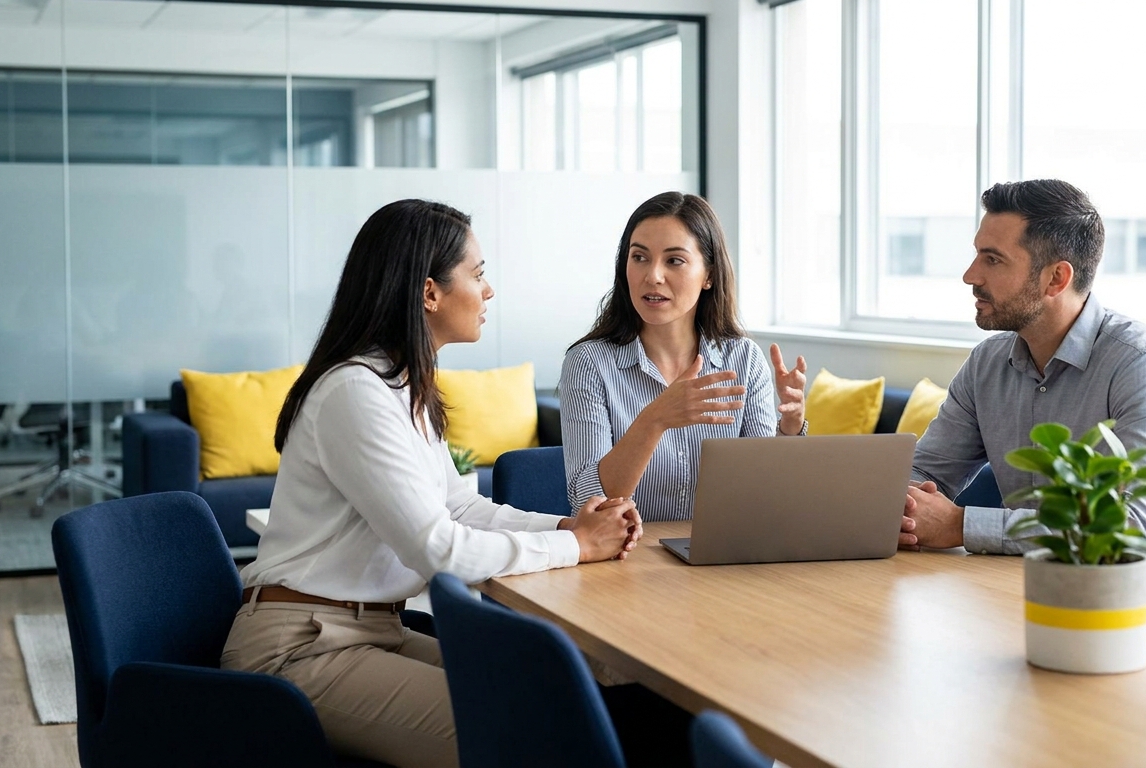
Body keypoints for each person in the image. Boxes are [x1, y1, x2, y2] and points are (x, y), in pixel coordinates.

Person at [219, 199, 642, 768]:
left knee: (550, 694)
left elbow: (459, 507)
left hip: (372, 632)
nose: (488, 291)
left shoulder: (402, 387)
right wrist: (576, 547)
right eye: (478, 273)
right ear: (428, 293)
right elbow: (438, 549)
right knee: (519, 733)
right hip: (300, 646)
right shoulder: (356, 391)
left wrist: (568, 525)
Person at [904, 179, 1146, 581]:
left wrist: (960, 525)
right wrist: (906, 509)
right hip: (1034, 590)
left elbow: (1130, 533)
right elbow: (925, 473)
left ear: (1056, 278)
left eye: (993, 259)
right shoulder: (988, 363)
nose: (970, 275)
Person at [559, 191, 808, 522]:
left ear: (709, 275)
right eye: (639, 257)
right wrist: (656, 418)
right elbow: (586, 501)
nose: (653, 276)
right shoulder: (588, 364)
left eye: (674, 260)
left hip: (722, 557)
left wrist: (790, 430)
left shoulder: (744, 359)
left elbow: (763, 494)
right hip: (624, 560)